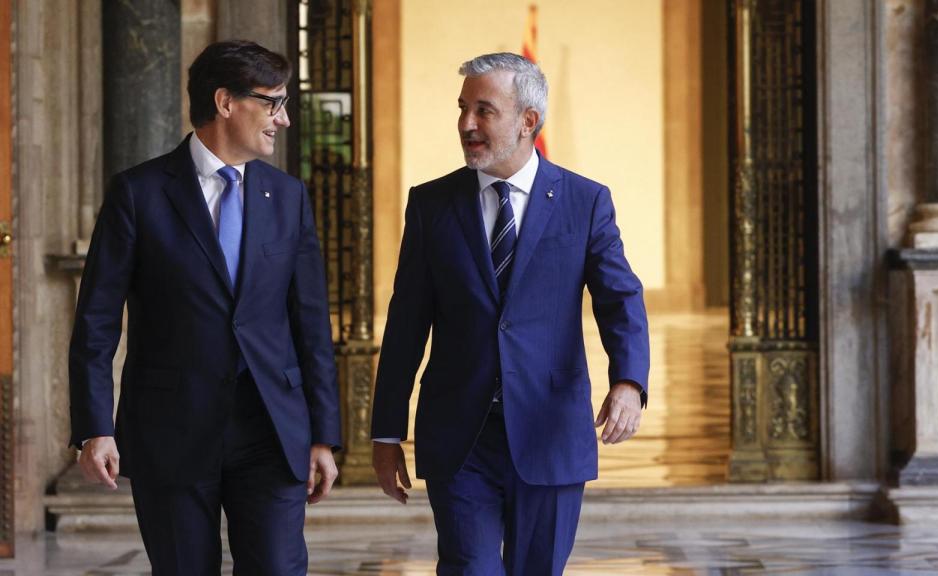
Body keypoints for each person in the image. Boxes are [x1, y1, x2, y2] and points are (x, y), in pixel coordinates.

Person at [371, 52, 650, 575]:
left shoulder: (585, 201)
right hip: (460, 437)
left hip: (550, 430)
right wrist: (386, 433)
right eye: (462, 109)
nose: (466, 124)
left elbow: (620, 299)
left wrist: (629, 381)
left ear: (528, 121)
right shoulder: (431, 205)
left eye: (484, 110)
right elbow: (406, 323)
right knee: (469, 567)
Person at [68, 40, 340, 575]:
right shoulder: (137, 193)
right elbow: (96, 324)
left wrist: (323, 434)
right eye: (273, 103)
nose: (282, 120)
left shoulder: (289, 197)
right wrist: (95, 426)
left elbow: (311, 324)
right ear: (225, 103)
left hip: (270, 429)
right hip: (171, 431)